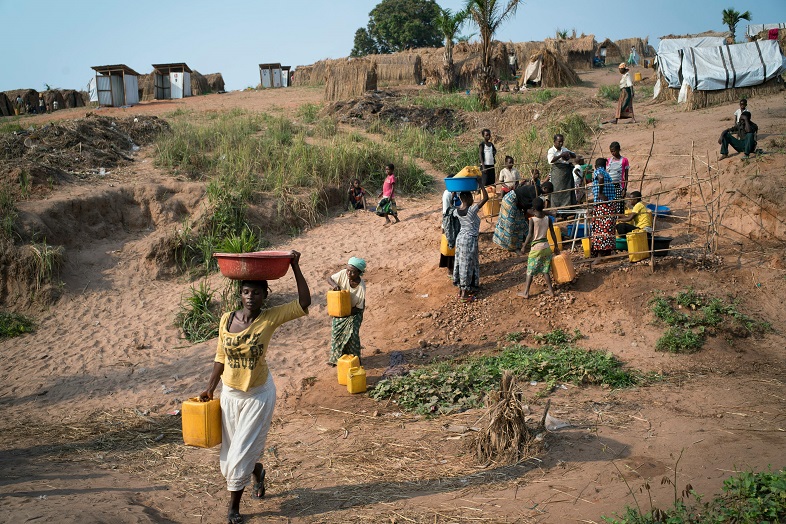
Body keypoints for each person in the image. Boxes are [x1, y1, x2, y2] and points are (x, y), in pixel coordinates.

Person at [199, 251, 311, 524]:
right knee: (230, 453)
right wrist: (210, 388)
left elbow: (305, 302)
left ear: (265, 296)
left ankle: (233, 509)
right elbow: (220, 357)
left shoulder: (270, 318)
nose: (251, 297)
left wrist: (295, 266)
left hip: (258, 395)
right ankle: (257, 471)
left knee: (238, 455)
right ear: (241, 294)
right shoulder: (226, 320)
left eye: (256, 293)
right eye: (246, 292)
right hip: (230, 394)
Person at [326, 257, 366, 366]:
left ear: (359, 272)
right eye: (348, 270)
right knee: (336, 332)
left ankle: (355, 359)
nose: (348, 273)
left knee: (352, 333)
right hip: (341, 308)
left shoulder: (361, 287)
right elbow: (329, 278)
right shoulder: (343, 273)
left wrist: (345, 312)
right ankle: (336, 359)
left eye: (352, 272)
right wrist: (335, 285)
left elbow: (358, 307)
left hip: (355, 311)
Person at [493, 182, 553, 252]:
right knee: (510, 223)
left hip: (517, 204)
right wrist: (548, 213)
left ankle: (520, 245)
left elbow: (529, 206)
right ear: (544, 188)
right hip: (510, 201)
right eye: (548, 192)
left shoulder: (537, 191)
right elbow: (534, 210)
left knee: (521, 223)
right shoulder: (535, 191)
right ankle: (510, 246)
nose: (547, 194)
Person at [453, 185, 489, 302]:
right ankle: (464, 294)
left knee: (461, 263)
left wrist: (454, 193)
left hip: (460, 239)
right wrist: (481, 184)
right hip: (469, 240)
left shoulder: (457, 211)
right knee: (467, 265)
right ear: (468, 198)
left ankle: (465, 288)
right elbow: (485, 198)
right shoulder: (471, 210)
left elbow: (450, 206)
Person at [521, 197, 559, 298]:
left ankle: (526, 292)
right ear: (543, 206)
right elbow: (552, 233)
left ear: (533, 209)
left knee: (530, 270)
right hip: (546, 247)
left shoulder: (532, 220)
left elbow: (530, 234)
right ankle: (551, 291)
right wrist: (556, 246)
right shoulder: (547, 219)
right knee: (545, 270)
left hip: (536, 248)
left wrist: (524, 246)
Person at [590, 159, 617, 258]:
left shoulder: (598, 172)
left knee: (601, 230)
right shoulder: (607, 174)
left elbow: (600, 178)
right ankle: (608, 253)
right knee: (609, 230)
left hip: (602, 206)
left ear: (595, 165)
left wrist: (600, 193)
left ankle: (600, 256)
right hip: (610, 205)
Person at [547, 133, 577, 209]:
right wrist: (561, 155)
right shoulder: (551, 150)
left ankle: (567, 208)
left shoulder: (564, 149)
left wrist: (569, 153)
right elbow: (551, 160)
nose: (561, 143)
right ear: (554, 142)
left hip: (566, 173)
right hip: (557, 173)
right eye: (559, 141)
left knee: (567, 190)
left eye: (562, 141)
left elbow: (574, 155)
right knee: (557, 191)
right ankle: (557, 209)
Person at [441, 180, 462, 274]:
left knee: (457, 247)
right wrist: (444, 227)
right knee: (450, 245)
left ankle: (456, 267)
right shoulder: (447, 194)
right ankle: (450, 269)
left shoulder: (458, 192)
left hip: (457, 223)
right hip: (450, 224)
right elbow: (446, 213)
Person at [606, 142, 629, 214]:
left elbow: (626, 176)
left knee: (619, 205)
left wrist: (625, 189)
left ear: (619, 149)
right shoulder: (609, 161)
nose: (613, 153)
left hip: (619, 186)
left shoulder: (624, 160)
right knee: (611, 205)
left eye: (614, 151)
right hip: (610, 186)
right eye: (611, 151)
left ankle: (619, 222)